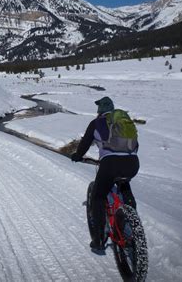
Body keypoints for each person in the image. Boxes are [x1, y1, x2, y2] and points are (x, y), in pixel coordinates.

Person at [71, 96, 139, 251]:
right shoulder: (123, 122)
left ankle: (99, 239)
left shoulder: (96, 123)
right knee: (124, 186)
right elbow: (135, 145)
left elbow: (85, 144)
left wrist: (77, 156)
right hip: (133, 163)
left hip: (109, 164)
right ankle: (132, 223)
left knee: (98, 196)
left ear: (99, 110)